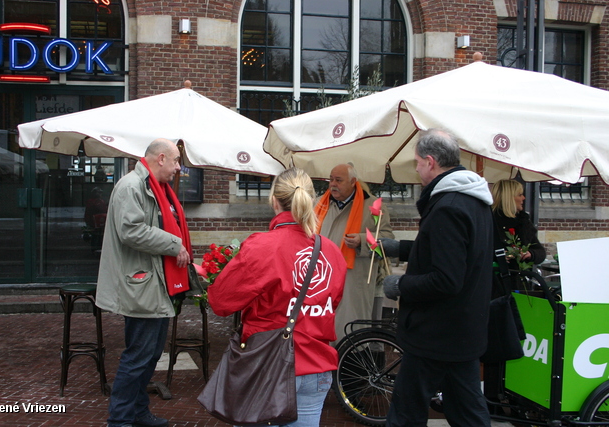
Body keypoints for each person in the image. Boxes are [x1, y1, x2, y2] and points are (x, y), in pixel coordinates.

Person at [207, 167, 347, 426]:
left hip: (267, 366)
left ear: (274, 200)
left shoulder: (261, 247)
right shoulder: (331, 251)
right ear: (311, 198)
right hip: (317, 366)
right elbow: (331, 302)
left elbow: (220, 302)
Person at [381, 129, 494, 426]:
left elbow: (446, 278)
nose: (416, 169)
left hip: (436, 333)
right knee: (469, 414)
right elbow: (452, 255)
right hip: (462, 331)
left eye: (417, 162)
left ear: (430, 162)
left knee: (405, 413)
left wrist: (400, 285)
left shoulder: (448, 208)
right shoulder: (474, 201)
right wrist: (401, 248)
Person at [96, 138, 192, 427]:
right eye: (176, 161)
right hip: (141, 286)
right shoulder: (131, 186)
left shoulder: (152, 187)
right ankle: (121, 419)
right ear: (160, 158)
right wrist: (175, 244)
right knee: (138, 356)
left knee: (149, 355)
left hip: (154, 284)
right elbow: (131, 231)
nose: (179, 168)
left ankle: (137, 412)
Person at [314, 163, 393, 344]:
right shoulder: (318, 204)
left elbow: (388, 242)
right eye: (331, 179)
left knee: (349, 333)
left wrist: (362, 241)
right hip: (321, 280)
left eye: (338, 180)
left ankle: (349, 368)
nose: (333, 184)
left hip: (354, 281)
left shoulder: (374, 207)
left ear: (353, 182)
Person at [491, 179, 546, 274]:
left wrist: (530, 254)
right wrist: (497, 256)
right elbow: (477, 251)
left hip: (519, 280)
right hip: (495, 281)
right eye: (520, 195)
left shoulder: (523, 221)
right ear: (509, 198)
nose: (523, 198)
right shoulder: (489, 221)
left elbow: (540, 252)